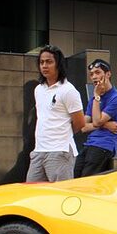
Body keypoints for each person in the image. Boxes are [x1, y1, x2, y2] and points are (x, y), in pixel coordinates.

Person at [26, 45, 85, 182]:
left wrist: (61, 133)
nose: (44, 66)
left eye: (49, 62)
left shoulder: (68, 90)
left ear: (58, 64)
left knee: (60, 197)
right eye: (41, 62)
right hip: (39, 150)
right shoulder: (38, 90)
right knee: (31, 194)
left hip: (60, 151)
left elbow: (80, 123)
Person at [74, 59, 117, 178]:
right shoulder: (94, 100)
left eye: (98, 72)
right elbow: (82, 127)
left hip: (103, 145)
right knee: (75, 177)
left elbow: (96, 121)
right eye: (92, 74)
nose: (94, 77)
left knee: (87, 181)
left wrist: (97, 96)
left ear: (108, 74)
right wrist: (106, 124)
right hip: (89, 144)